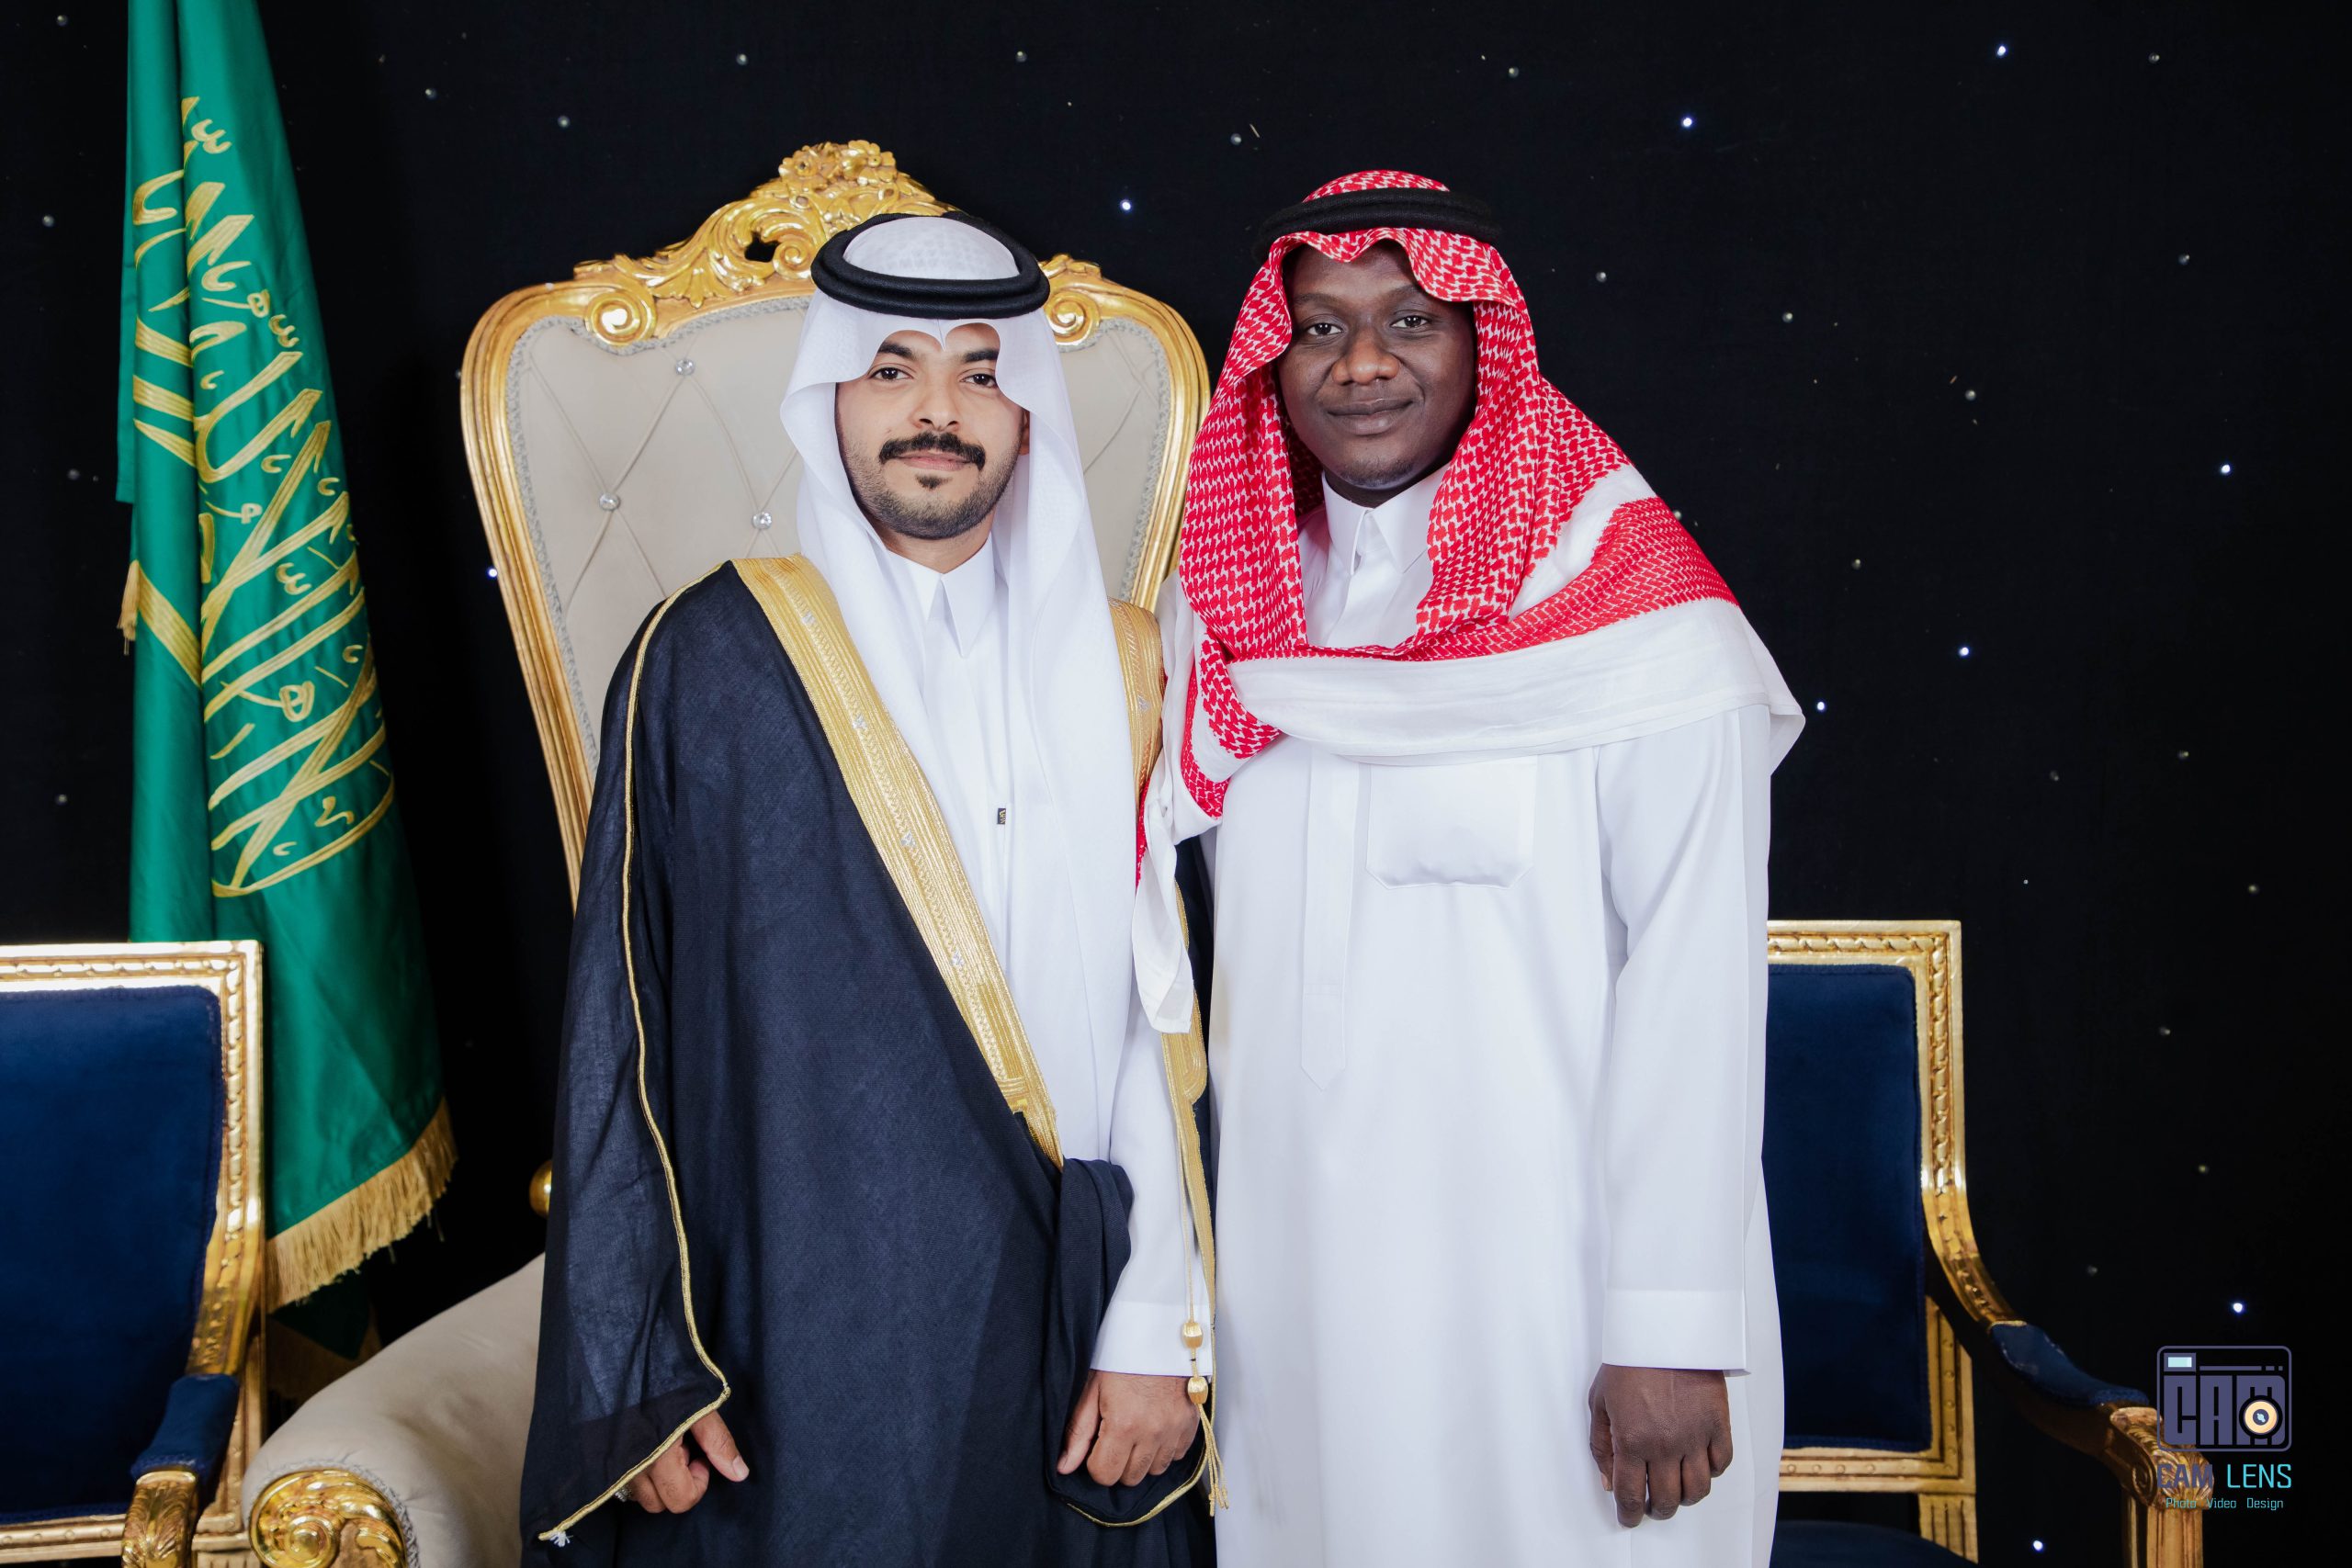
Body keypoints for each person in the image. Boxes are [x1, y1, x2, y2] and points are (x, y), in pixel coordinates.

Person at [522, 211, 1216, 1566]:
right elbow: (623, 1025)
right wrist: (636, 1362)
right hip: (787, 1333)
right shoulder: (706, 659)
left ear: (1028, 409)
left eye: (980, 371)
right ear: (828, 395)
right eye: (892, 368)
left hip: (1071, 1327)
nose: (937, 412)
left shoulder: (1135, 669)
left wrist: (1156, 1330)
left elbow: (1172, 1025)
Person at [1131, 170, 1804, 1566]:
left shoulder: (1636, 617)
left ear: (1483, 342)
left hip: (1554, 1291)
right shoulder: (1229, 613)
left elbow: (1695, 984)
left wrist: (1671, 1326)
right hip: (1295, 1288)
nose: (1360, 364)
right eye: (1320, 327)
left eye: (1410, 320)